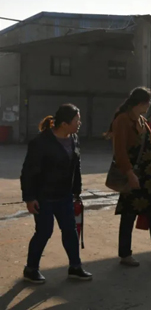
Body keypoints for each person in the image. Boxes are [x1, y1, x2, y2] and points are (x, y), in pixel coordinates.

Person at [20, 104, 92, 284]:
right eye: (76, 120)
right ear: (64, 124)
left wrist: (76, 191)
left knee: (70, 231)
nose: (79, 123)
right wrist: (29, 198)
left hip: (64, 195)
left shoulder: (73, 139)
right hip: (43, 197)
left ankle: (75, 267)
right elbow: (28, 172)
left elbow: (76, 166)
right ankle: (31, 269)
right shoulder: (41, 142)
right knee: (44, 232)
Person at [110, 87, 151, 266]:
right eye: (148, 102)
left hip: (147, 175)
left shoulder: (142, 120)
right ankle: (125, 254)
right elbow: (119, 151)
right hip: (132, 173)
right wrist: (129, 173)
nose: (149, 106)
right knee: (129, 212)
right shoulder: (123, 120)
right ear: (141, 103)